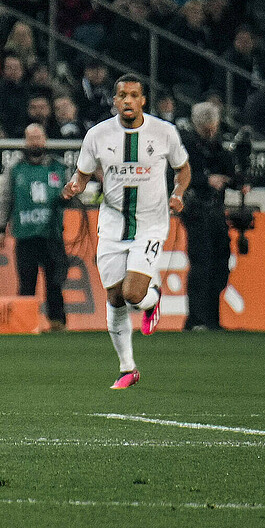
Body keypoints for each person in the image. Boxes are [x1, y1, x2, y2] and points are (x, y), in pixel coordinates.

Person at [63, 74, 191, 389]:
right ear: (116, 100)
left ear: (143, 100)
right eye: (123, 95)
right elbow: (83, 173)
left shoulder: (164, 133)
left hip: (150, 225)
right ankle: (127, 368)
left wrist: (178, 194)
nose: (128, 101)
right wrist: (75, 186)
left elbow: (183, 169)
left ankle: (151, 299)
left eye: (134, 95)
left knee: (133, 294)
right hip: (111, 225)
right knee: (114, 297)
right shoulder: (97, 135)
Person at [0, 124, 70, 331]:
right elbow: (5, 198)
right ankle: (25, 322)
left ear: (45, 140)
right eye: (31, 138)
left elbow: (71, 195)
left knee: (55, 282)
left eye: (38, 138)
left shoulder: (58, 167)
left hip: (51, 233)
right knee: (27, 281)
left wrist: (68, 197)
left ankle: (57, 322)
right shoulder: (15, 168)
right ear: (25, 141)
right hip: (25, 234)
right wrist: (1, 228)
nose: (35, 142)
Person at [179, 102, 244, 331]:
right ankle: (196, 319)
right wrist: (205, 180)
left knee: (220, 264)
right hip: (196, 211)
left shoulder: (219, 148)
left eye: (212, 126)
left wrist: (239, 181)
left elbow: (232, 174)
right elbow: (177, 176)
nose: (209, 131)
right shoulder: (186, 147)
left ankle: (212, 318)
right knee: (201, 264)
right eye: (205, 127)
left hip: (217, 213)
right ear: (197, 125)